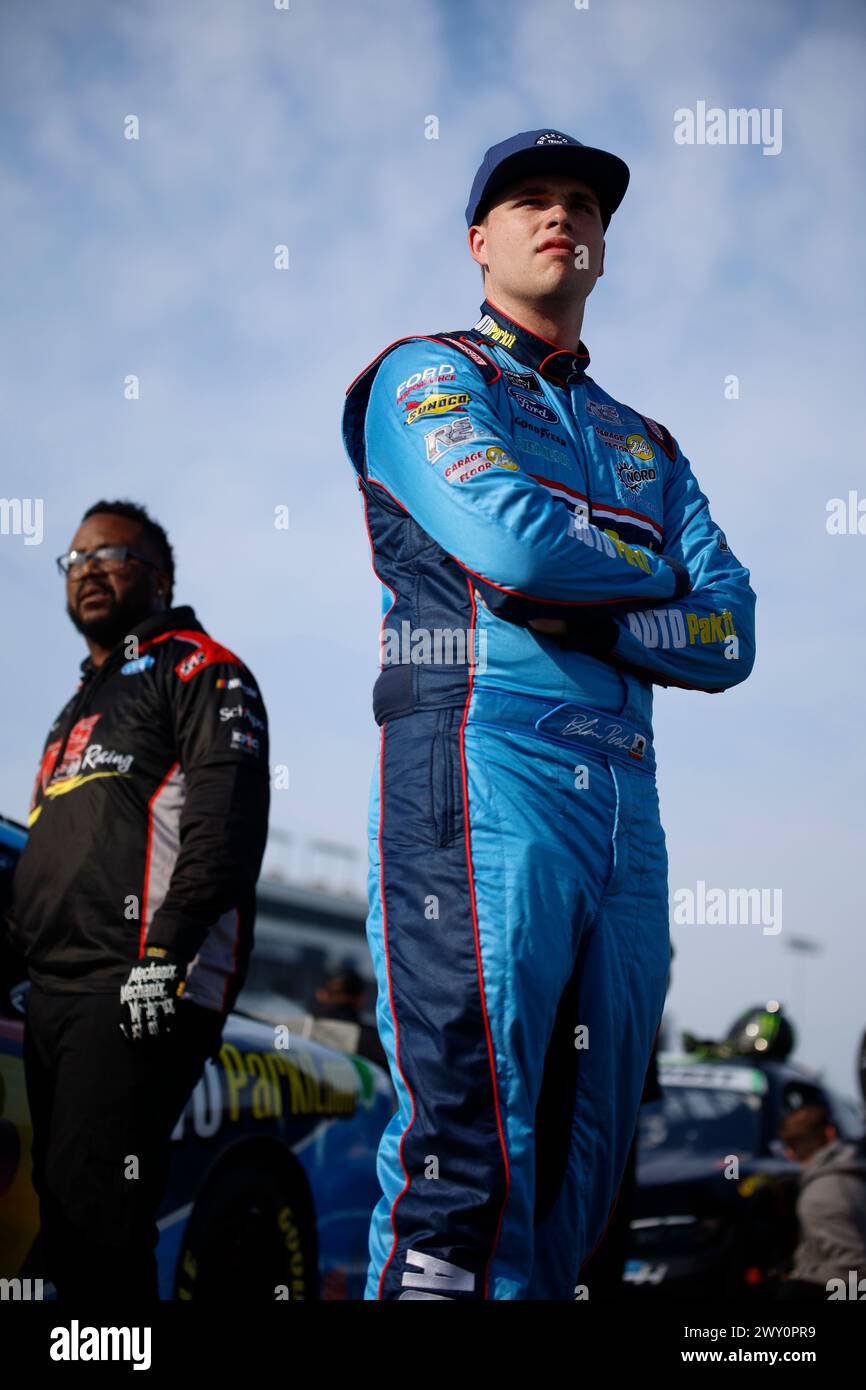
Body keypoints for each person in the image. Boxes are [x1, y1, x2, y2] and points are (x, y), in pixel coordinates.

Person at [341, 128, 756, 1300]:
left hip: (626, 808)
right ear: (480, 242)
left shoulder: (646, 442)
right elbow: (511, 551)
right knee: (468, 1155)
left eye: (580, 202)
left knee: (585, 1180)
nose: (558, 216)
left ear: (603, 249)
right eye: (529, 200)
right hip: (481, 772)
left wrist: (610, 612)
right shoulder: (424, 374)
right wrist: (647, 572)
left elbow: (730, 633)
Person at [6, 499, 270, 1301]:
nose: (86, 568)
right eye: (75, 558)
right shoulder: (74, 708)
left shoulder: (200, 666)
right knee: (62, 1214)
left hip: (141, 979)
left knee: (96, 1215)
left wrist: (163, 956)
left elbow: (227, 824)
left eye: (110, 552)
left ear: (159, 577)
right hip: (49, 988)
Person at [775, 1101, 866, 1299]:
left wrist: (798, 1286)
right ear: (831, 1133)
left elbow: (857, 1273)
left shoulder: (822, 1195)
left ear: (790, 1152)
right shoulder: (850, 1171)